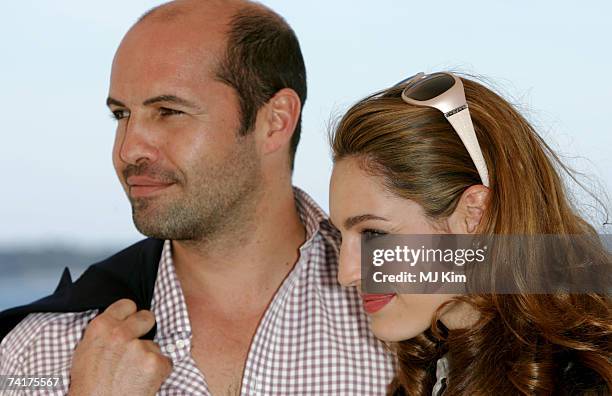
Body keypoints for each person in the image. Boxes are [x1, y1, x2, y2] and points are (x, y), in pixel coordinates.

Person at [0, 1, 395, 394]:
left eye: (169, 111)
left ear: (275, 121)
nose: (128, 149)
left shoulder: (419, 296)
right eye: (121, 115)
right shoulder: (34, 352)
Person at [329, 71, 612, 395]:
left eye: (373, 233)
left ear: (474, 215)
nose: (346, 273)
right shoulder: (429, 376)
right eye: (341, 236)